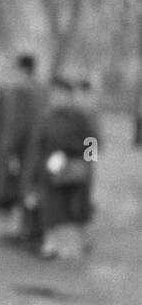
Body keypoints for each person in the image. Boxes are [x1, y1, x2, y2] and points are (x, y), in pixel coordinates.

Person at [22, 76, 97, 260]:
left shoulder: (80, 118)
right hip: (50, 170)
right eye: (55, 95)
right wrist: (31, 178)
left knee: (78, 209)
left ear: (69, 97)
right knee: (49, 209)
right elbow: (36, 148)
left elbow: (92, 142)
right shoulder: (45, 118)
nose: (58, 99)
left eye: (62, 95)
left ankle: (84, 238)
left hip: (75, 169)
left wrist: (84, 163)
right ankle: (50, 244)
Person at [0, 52, 44, 241]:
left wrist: (9, 148)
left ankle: (18, 227)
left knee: (16, 186)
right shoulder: (23, 92)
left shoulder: (25, 93)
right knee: (14, 186)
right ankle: (18, 226)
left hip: (22, 151)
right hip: (18, 150)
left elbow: (21, 125)